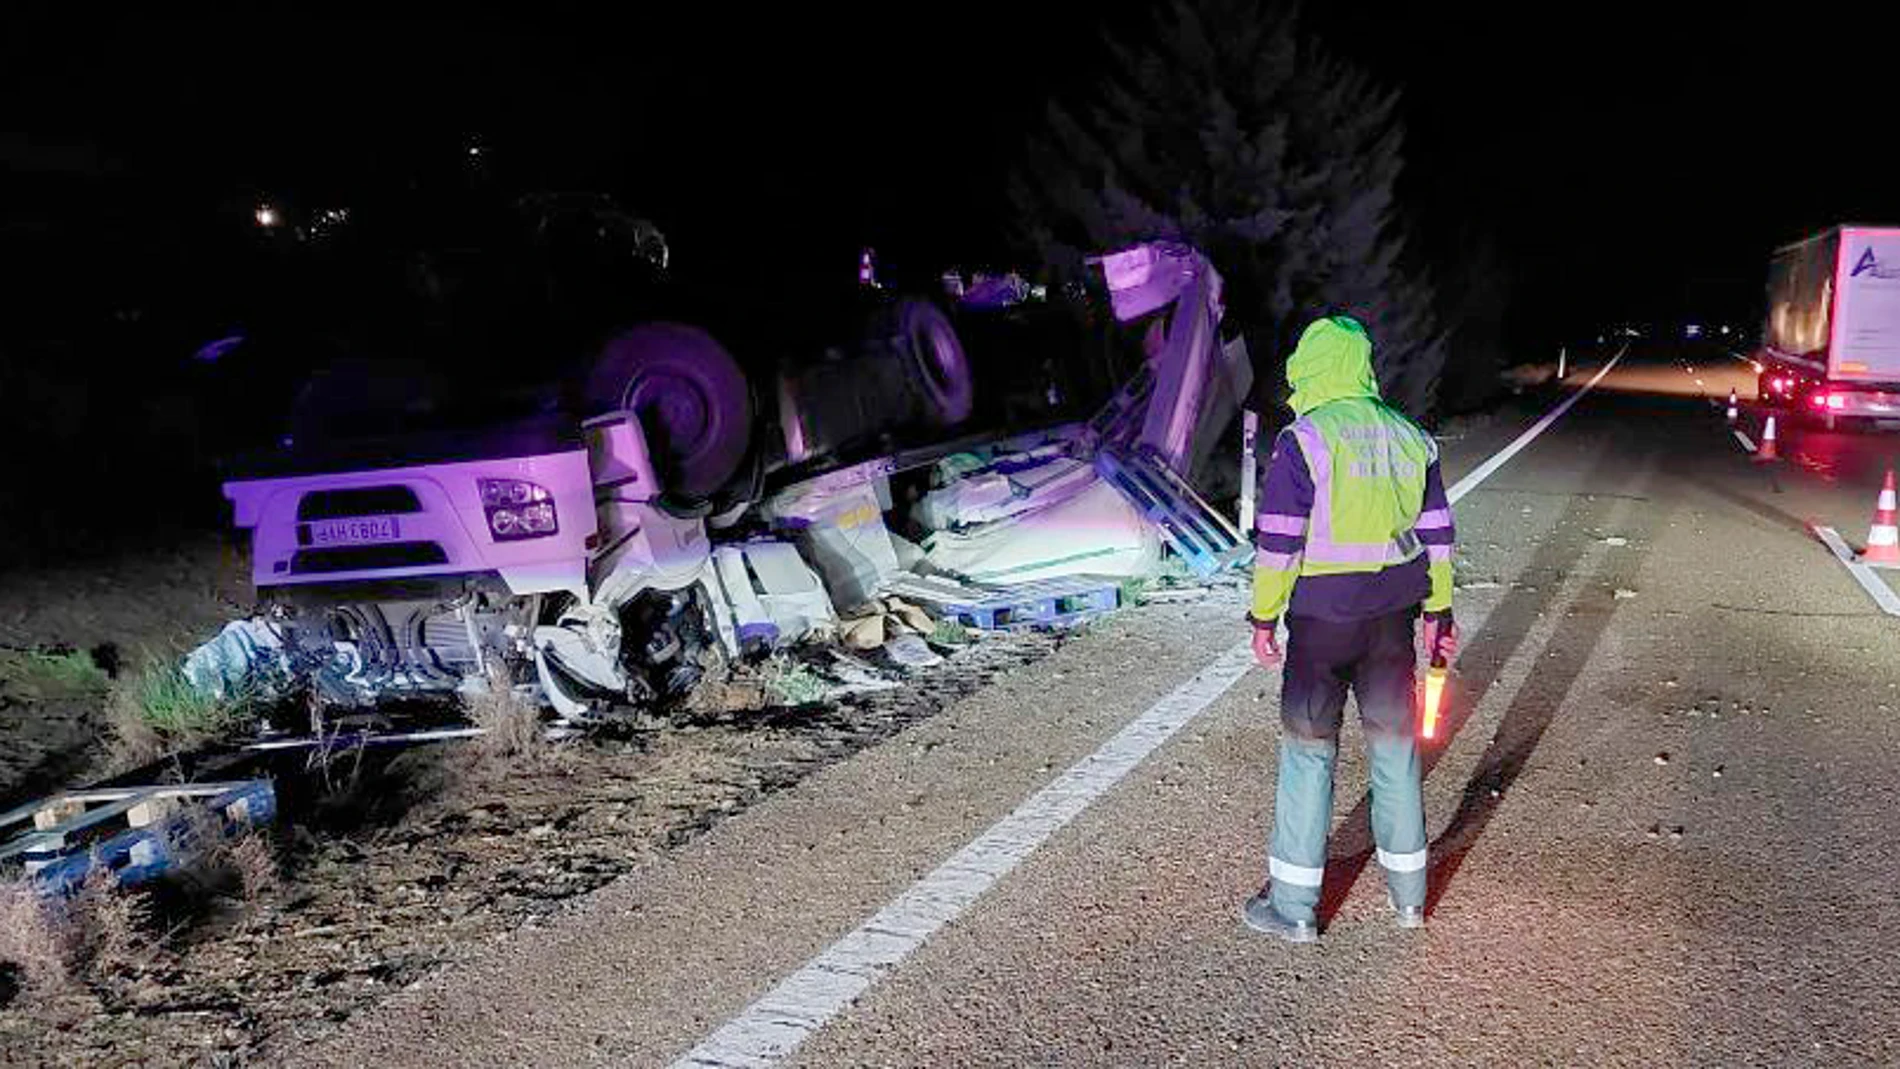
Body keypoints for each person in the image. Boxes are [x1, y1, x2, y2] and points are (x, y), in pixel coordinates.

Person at [1241, 315, 1457, 943]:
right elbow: (1439, 537)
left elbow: (1278, 544)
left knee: (1309, 755)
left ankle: (1294, 908)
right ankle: (1410, 900)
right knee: (1395, 751)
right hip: (1393, 620)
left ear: (1308, 368)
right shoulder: (1412, 438)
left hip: (1320, 623)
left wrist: (1263, 618)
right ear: (1363, 366)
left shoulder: (1305, 440)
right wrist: (1439, 614)